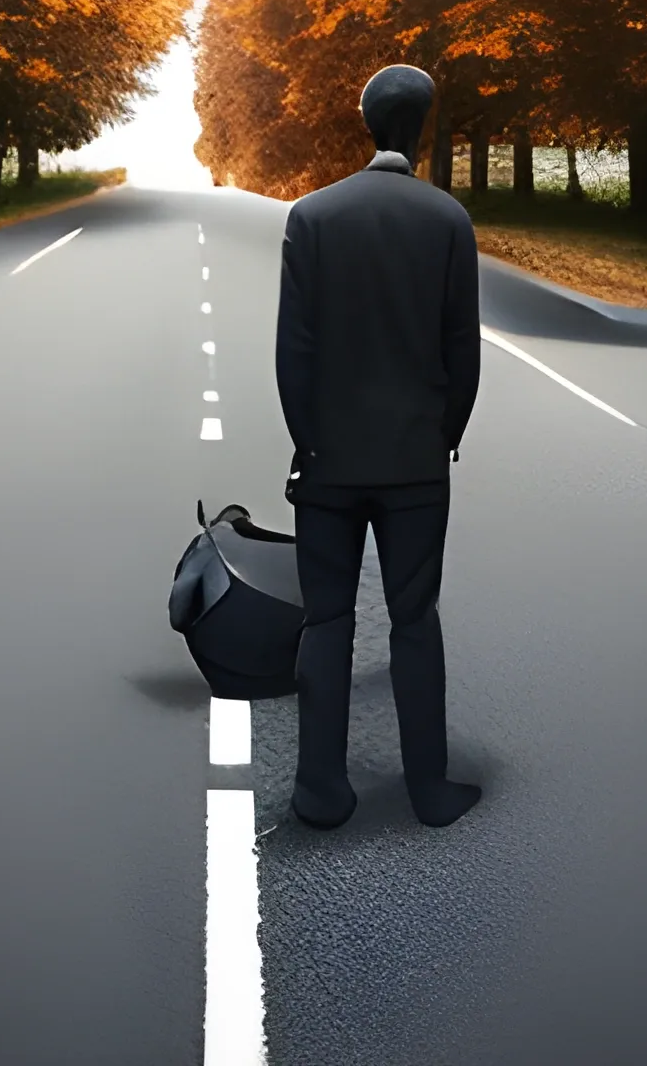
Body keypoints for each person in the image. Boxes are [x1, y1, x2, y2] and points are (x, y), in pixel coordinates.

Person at [274, 63, 483, 830]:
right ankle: (429, 789)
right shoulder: (447, 221)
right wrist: (442, 438)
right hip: (415, 461)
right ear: (419, 128)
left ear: (366, 125)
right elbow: (464, 353)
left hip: (330, 458)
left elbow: (292, 352)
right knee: (414, 619)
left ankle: (319, 790)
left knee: (326, 621)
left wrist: (309, 443)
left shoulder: (312, 217)